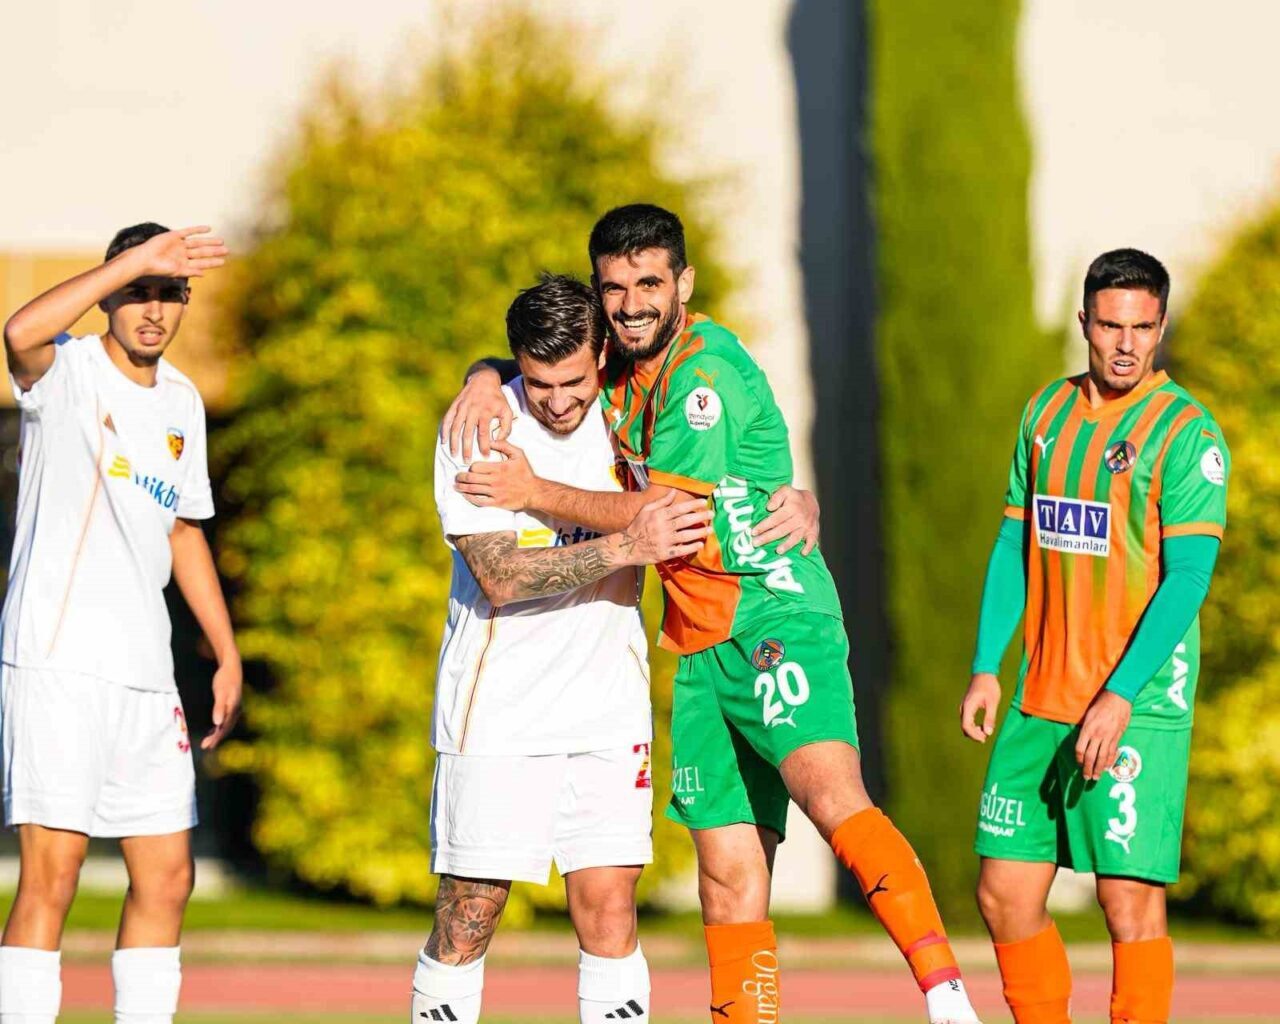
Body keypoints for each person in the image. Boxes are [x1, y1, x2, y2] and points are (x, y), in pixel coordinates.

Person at [444, 205, 980, 1024]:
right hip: (698, 641)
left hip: (770, 611)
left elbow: (661, 516)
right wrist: (483, 376)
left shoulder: (704, 374)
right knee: (727, 874)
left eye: (649, 283)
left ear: (683, 284)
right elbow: (539, 356)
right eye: (615, 287)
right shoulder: (612, 364)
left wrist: (532, 491)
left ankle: (947, 996)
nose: (632, 304)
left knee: (828, 790)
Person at [417, 274, 714, 1024]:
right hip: (498, 709)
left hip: (608, 708)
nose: (556, 401)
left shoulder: (633, 409)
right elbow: (501, 578)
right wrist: (626, 546)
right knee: (469, 913)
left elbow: (722, 454)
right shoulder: (480, 429)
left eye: (573, 382)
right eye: (538, 381)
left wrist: (794, 497)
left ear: (603, 353)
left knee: (610, 907)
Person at [960, 249, 1228, 1024]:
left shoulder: (1187, 434)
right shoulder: (1045, 414)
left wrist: (1119, 694)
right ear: (1085, 322)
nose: (1125, 345)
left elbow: (1188, 578)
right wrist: (987, 664)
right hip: (1040, 698)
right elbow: (1015, 542)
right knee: (1003, 895)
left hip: (1134, 704)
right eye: (1111, 326)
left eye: (1142, 328)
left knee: (1126, 903)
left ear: (1161, 326)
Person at [0, 223, 240, 1024]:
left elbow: (184, 530)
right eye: (138, 291)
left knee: (168, 878)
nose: (153, 310)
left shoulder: (182, 403)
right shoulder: (65, 369)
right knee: (52, 876)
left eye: (170, 294)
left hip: (145, 676)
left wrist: (226, 652)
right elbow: (18, 331)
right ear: (109, 292)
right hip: (57, 664)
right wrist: (136, 260)